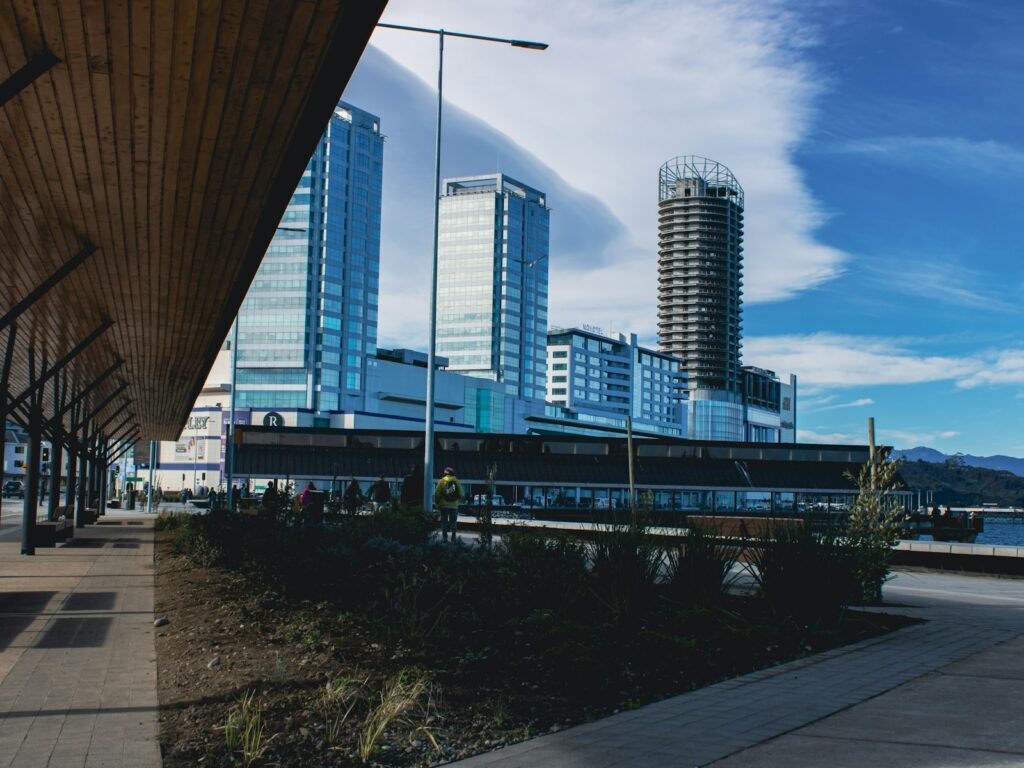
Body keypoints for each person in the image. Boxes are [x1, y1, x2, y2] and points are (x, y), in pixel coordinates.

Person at [433, 466, 463, 543]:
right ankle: (453, 537)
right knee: (453, 521)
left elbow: (437, 494)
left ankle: (444, 538)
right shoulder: (456, 481)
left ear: (444, 473)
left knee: (444, 522)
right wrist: (457, 501)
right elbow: (461, 494)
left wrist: (437, 503)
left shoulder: (441, 481)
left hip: (444, 505)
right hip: (454, 506)